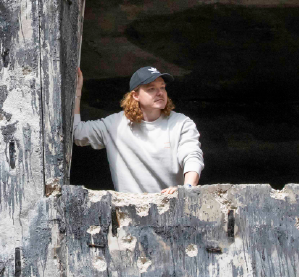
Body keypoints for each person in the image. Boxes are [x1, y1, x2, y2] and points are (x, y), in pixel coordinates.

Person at [73, 66, 203, 195]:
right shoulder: (115, 125)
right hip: (131, 210)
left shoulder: (181, 123)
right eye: (151, 89)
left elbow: (192, 157)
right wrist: (76, 93)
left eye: (162, 87)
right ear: (135, 95)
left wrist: (187, 189)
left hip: (172, 207)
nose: (160, 93)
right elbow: (78, 133)